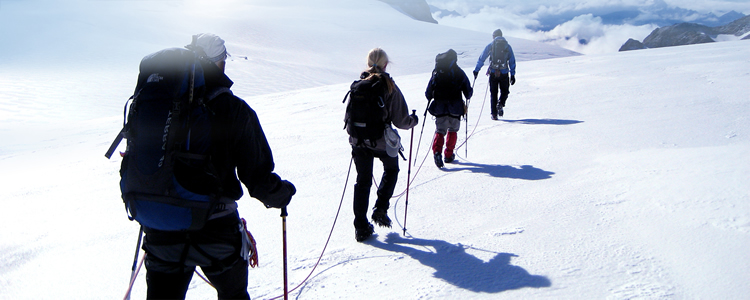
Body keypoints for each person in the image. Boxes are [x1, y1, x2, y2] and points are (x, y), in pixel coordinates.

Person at [141, 33, 296, 299]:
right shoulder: (233, 109)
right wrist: (282, 194)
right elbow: (257, 178)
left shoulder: (160, 103)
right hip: (216, 229)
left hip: (162, 227)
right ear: (218, 63)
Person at [346, 48, 418, 242]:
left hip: (358, 140)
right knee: (391, 169)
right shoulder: (388, 85)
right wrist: (413, 120)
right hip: (380, 140)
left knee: (363, 181)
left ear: (369, 63)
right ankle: (380, 208)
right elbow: (401, 121)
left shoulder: (359, 83)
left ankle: (360, 227)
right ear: (386, 64)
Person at [425, 49, 473, 168]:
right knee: (453, 130)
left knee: (440, 131)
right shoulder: (458, 72)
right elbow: (468, 92)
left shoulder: (437, 72)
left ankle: (437, 152)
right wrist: (468, 94)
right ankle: (448, 155)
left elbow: (428, 93)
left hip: (440, 107)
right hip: (455, 107)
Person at [473, 29, 517, 120]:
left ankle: (494, 114)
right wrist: (512, 74)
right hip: (504, 72)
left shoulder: (491, 45)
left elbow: (482, 58)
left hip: (493, 72)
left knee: (493, 93)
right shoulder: (507, 46)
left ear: (494, 36)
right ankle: (500, 103)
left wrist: (476, 70)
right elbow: (512, 61)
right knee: (505, 91)